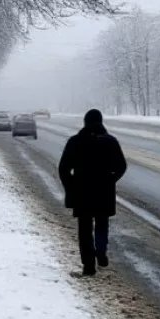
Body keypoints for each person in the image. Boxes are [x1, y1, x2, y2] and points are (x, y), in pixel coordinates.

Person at [58, 109, 127, 276]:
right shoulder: (110, 141)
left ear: (85, 122)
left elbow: (63, 168)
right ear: (101, 121)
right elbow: (121, 166)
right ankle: (101, 250)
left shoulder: (75, 141)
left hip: (82, 191)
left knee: (84, 228)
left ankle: (88, 265)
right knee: (102, 222)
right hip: (104, 191)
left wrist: (71, 186)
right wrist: (111, 180)